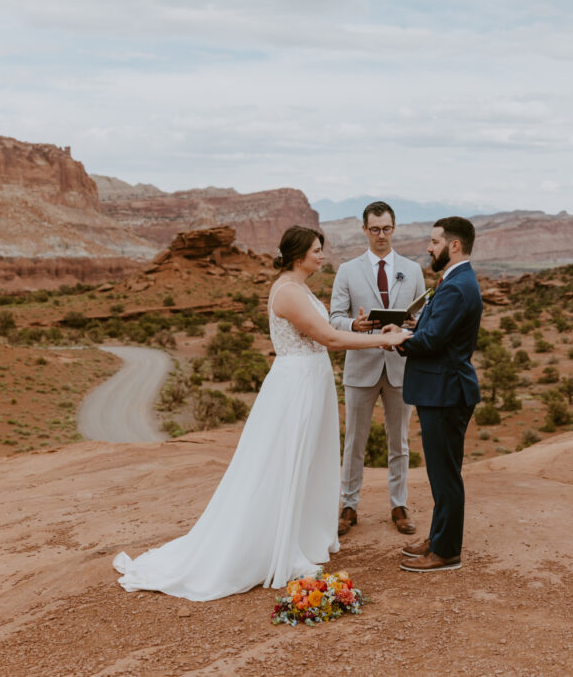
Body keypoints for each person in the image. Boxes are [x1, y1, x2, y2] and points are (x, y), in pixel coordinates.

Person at [113, 225, 409, 601]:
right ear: (299, 254)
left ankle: (299, 535)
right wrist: (385, 338)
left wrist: (358, 325)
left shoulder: (297, 287)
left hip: (309, 381)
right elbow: (330, 339)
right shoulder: (287, 292)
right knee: (284, 461)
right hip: (296, 387)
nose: (322, 255)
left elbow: (327, 330)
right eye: (317, 250)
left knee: (307, 459)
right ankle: (272, 544)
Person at [387, 216, 482, 573]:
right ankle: (438, 536)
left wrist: (397, 338)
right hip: (441, 389)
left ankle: (446, 551)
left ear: (454, 245)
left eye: (434, 241)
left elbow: (431, 341)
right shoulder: (454, 280)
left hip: (446, 391)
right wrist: (412, 327)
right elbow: (433, 329)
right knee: (442, 472)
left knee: (445, 475)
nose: (429, 247)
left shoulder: (457, 286)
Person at [329, 201, 426, 538]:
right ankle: (348, 506)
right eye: (374, 229)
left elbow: (424, 317)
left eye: (386, 229)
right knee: (355, 440)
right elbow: (334, 318)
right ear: (364, 230)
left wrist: (415, 322)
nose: (381, 235)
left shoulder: (412, 270)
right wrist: (353, 325)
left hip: (400, 366)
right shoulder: (347, 270)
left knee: (399, 442)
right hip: (361, 367)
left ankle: (399, 505)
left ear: (394, 228)